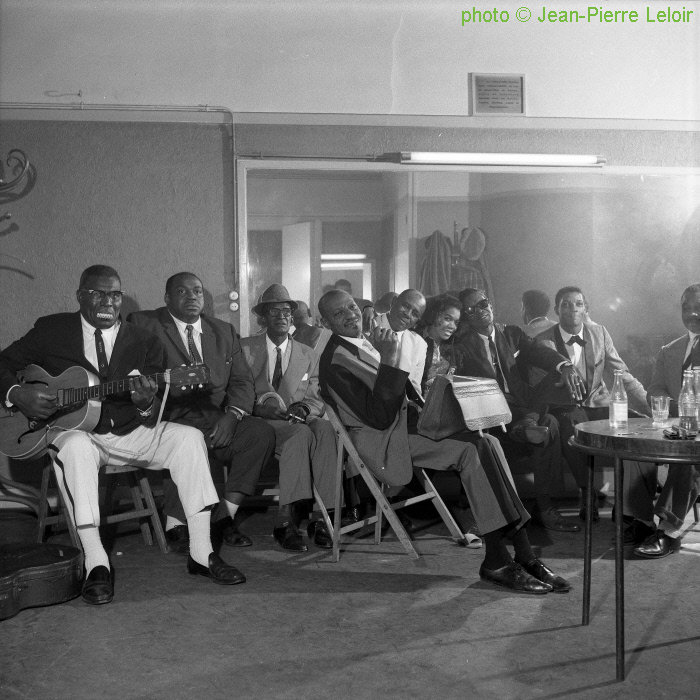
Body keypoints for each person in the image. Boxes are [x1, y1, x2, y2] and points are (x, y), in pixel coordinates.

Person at [0, 265, 245, 605]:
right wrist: (16, 393)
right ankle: (96, 563)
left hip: (129, 432)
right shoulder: (52, 330)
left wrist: (145, 404)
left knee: (188, 438)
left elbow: (152, 410)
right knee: (76, 446)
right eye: (98, 294)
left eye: (115, 295)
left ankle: (201, 553)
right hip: (71, 432)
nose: (108, 302)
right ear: (80, 296)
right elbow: (3, 362)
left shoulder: (143, 340)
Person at [317, 289, 572, 594]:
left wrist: (436, 409)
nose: (350, 315)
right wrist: (390, 359)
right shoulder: (335, 360)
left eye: (351, 307)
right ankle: (497, 560)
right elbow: (379, 417)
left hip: (408, 426)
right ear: (326, 322)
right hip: (384, 442)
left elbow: (404, 394)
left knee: (488, 441)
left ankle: (524, 554)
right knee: (473, 449)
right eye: (339, 313)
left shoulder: (365, 340)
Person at [129, 272, 276, 552]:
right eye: (182, 292)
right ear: (167, 298)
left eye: (197, 291)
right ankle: (176, 523)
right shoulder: (145, 325)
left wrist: (232, 416)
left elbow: (242, 382)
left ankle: (224, 516)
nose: (192, 297)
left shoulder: (223, 331)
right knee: (186, 438)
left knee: (260, 433)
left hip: (215, 417)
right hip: (168, 416)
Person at [453, 288, 582, 533]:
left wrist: (565, 365)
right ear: (465, 317)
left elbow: (539, 352)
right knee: (551, 423)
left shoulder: (511, 334)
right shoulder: (463, 345)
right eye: (470, 310)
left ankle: (528, 423)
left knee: (558, 377)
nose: (479, 311)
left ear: (490, 304)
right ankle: (545, 508)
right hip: (491, 414)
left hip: (523, 407)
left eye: (482, 304)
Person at [533, 286, 651, 521]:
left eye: (578, 304)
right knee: (571, 430)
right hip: (566, 408)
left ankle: (628, 504)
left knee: (643, 427)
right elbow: (539, 388)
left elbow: (622, 375)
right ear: (556, 310)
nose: (572, 309)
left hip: (599, 404)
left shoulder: (600, 333)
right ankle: (588, 494)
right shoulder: (543, 341)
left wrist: (649, 405)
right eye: (566, 304)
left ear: (586, 308)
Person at [241, 284, 337, 552]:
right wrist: (258, 408)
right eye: (274, 311)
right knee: (301, 434)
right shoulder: (245, 348)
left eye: (286, 311)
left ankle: (323, 518)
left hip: (297, 419)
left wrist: (305, 409)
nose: (282, 316)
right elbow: (236, 390)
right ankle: (285, 521)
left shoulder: (308, 353)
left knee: (325, 430)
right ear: (263, 317)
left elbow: (316, 396)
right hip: (261, 422)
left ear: (293, 316)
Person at [624, 283, 700, 557]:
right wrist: (668, 407)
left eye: (698, 307)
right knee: (633, 446)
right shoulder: (670, 350)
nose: (691, 314)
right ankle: (642, 521)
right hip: (674, 427)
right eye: (686, 308)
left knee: (687, 458)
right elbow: (655, 388)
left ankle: (668, 531)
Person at [373, 288, 428, 401]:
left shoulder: (419, 345)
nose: (407, 314)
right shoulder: (367, 327)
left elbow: (415, 391)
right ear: (393, 302)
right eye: (406, 306)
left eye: (415, 314)